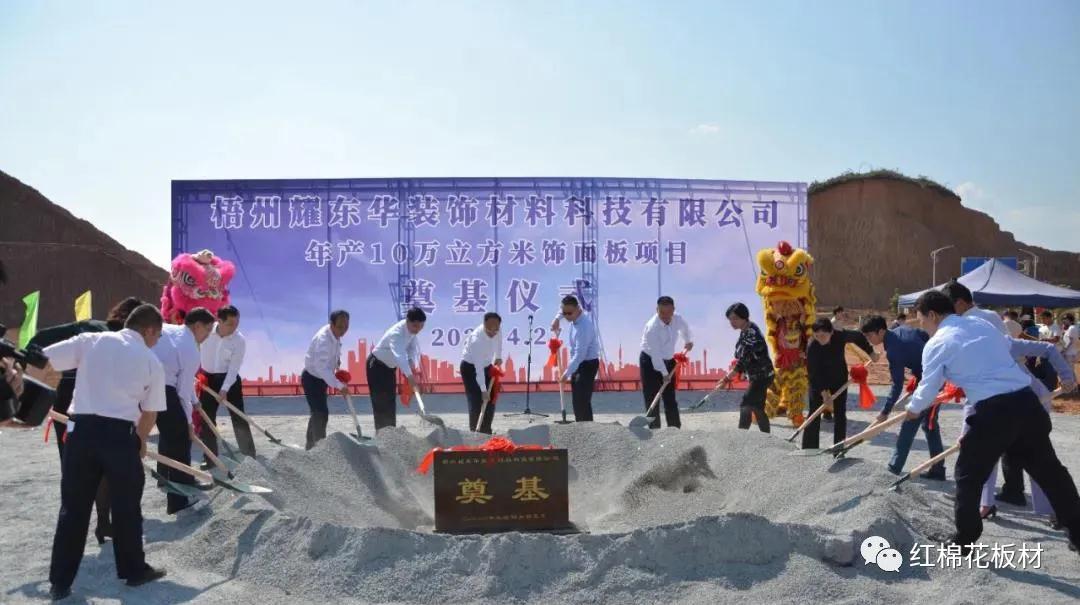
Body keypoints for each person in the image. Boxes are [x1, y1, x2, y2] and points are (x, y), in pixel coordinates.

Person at [903, 291, 1080, 553]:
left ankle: (964, 539)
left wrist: (913, 409)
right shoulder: (980, 324)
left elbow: (929, 386)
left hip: (994, 412)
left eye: (922, 320)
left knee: (968, 475)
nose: (923, 327)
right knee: (1051, 473)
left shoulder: (938, 343)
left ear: (932, 315)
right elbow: (1004, 350)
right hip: (1027, 404)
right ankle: (1078, 531)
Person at [43, 304, 169, 600]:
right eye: (158, 336)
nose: (157, 341)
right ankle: (133, 571)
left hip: (81, 433)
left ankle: (60, 582)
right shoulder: (151, 361)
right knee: (127, 507)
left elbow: (46, 359)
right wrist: (139, 442)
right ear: (149, 330)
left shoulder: (91, 340)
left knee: (73, 508)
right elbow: (150, 413)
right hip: (120, 436)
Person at [28, 296, 146, 545]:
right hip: (84, 404)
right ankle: (100, 523)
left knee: (76, 466)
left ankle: (96, 524)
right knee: (101, 466)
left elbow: (39, 340)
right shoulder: (108, 337)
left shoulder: (93, 328)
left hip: (74, 402)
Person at [860, 315, 944, 478]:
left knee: (909, 422)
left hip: (931, 382)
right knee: (930, 424)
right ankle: (938, 469)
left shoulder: (893, 351)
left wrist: (885, 412)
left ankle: (894, 468)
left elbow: (897, 384)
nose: (868, 339)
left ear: (881, 331)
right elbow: (924, 337)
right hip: (937, 375)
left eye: (869, 335)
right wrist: (919, 373)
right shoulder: (902, 330)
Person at [151, 307, 213, 514]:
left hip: (144, 381)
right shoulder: (191, 349)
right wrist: (188, 423)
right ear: (197, 326)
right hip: (161, 387)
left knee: (169, 435)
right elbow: (182, 392)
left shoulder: (169, 330)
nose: (208, 335)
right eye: (207, 329)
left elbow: (182, 378)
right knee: (180, 439)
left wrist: (195, 401)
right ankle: (178, 501)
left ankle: (168, 478)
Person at [802, 318, 875, 449]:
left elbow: (858, 337)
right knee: (814, 412)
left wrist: (871, 352)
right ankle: (809, 448)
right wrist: (824, 394)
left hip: (838, 378)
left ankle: (839, 448)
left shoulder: (840, 336)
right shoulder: (812, 347)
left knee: (840, 413)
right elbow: (813, 373)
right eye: (817, 336)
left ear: (831, 332)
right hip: (819, 380)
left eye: (823, 335)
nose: (820, 339)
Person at [197, 305, 255, 457]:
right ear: (219, 321)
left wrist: (224, 389)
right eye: (230, 324)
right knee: (207, 419)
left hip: (229, 378)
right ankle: (210, 457)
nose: (234, 328)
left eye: (237, 323)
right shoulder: (206, 332)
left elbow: (234, 368)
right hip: (208, 379)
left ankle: (249, 455)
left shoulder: (239, 340)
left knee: (238, 417)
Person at [367, 307, 427, 431]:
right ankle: (382, 434)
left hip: (389, 368)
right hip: (376, 366)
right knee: (380, 401)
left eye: (421, 326)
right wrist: (411, 378)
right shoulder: (397, 333)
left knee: (390, 400)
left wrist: (411, 365)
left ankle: (391, 433)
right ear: (407, 321)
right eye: (415, 326)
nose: (417, 330)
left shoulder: (412, 332)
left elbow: (411, 349)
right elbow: (400, 356)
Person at [639, 296, 693, 429]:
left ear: (673, 310)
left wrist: (687, 341)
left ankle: (674, 429)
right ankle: (655, 431)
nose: (665, 316)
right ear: (657, 310)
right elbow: (656, 355)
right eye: (662, 312)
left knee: (670, 398)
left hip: (669, 360)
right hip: (650, 361)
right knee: (653, 398)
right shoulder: (652, 327)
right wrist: (664, 373)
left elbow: (685, 328)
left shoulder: (677, 318)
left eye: (668, 312)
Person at [303, 310, 352, 449]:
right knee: (321, 413)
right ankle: (320, 449)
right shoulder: (324, 340)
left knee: (317, 412)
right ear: (332, 324)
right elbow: (321, 368)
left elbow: (332, 358)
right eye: (340, 327)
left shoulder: (334, 335)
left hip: (322, 379)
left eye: (346, 327)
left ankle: (310, 447)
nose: (343, 331)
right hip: (312, 378)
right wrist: (339, 386)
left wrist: (337, 366)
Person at [722, 302, 773, 433]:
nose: (732, 322)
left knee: (746, 404)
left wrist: (727, 378)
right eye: (730, 319)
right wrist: (727, 378)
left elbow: (744, 359)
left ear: (744, 317)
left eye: (735, 318)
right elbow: (743, 359)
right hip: (757, 376)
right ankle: (766, 437)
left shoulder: (752, 334)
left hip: (762, 376)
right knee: (757, 408)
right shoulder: (745, 331)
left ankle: (742, 436)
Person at [551, 296, 601, 422]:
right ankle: (581, 424)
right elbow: (562, 311)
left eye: (570, 313)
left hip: (587, 364)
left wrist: (565, 374)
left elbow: (580, 355)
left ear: (578, 309)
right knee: (577, 400)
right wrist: (557, 319)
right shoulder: (572, 314)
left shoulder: (584, 327)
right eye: (565, 313)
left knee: (581, 400)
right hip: (578, 363)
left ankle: (586, 427)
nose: (567, 316)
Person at [460, 312, 503, 434]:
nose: (493, 333)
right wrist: (483, 390)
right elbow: (478, 369)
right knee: (476, 400)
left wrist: (498, 356)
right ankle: (475, 431)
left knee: (491, 398)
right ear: (484, 324)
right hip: (470, 368)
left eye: (496, 330)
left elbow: (499, 342)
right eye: (489, 330)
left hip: (487, 366)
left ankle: (486, 430)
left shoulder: (497, 329)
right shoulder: (476, 341)